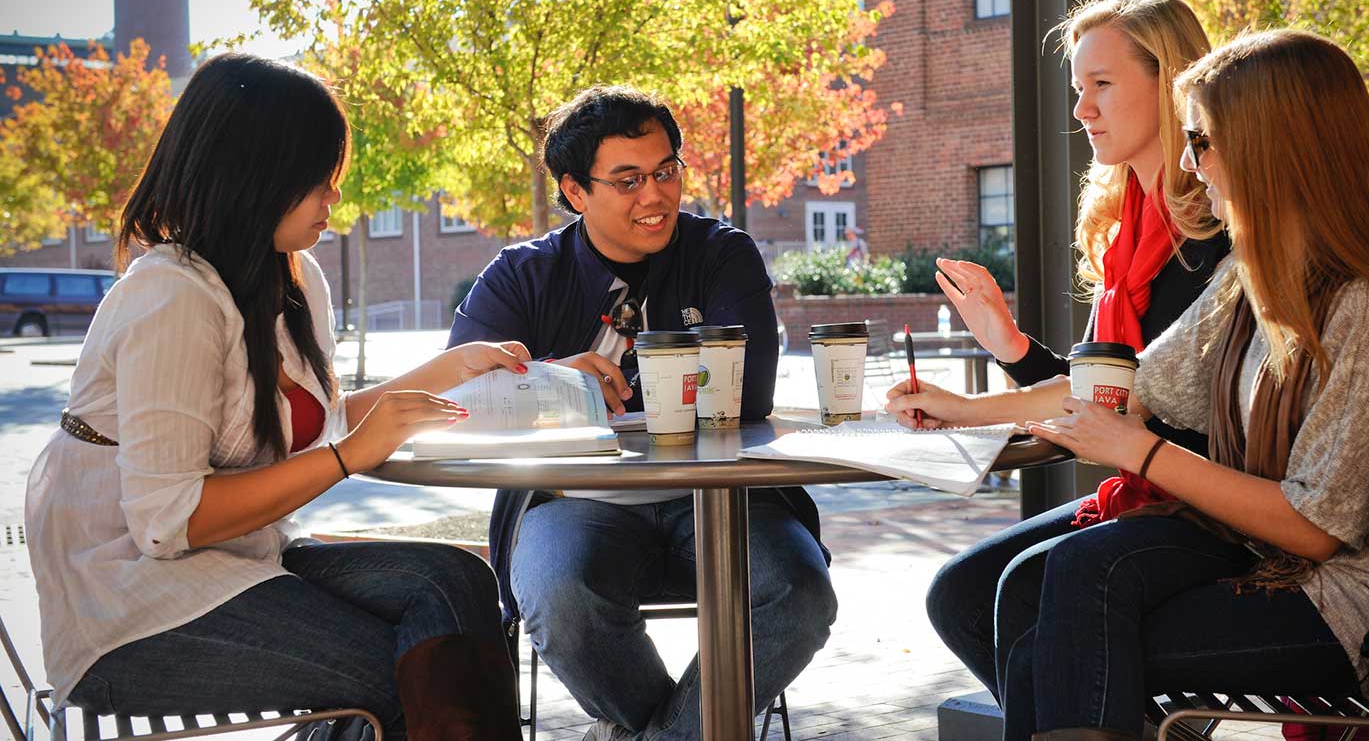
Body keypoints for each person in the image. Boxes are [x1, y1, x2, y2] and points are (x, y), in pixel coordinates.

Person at [963, 29, 1369, 741]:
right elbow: (1132, 390)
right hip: (1262, 560)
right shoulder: (1249, 278)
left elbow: (1317, 531)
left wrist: (1141, 453)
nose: (1192, 165)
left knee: (1055, 637)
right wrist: (957, 410)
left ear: (1274, 150)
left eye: (1206, 143)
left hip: (1342, 607)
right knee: (1029, 604)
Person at [25, 53, 526, 741]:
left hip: (238, 560)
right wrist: (349, 459)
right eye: (318, 179)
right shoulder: (169, 297)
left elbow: (312, 424)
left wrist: (453, 368)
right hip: (128, 606)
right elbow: (167, 522)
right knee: (424, 677)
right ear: (253, 177)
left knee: (455, 582)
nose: (334, 200)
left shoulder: (292, 278)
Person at [448, 85, 837, 741]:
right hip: (575, 499)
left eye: (665, 171)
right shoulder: (521, 275)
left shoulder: (722, 254)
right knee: (559, 597)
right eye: (627, 180)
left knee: (800, 598)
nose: (654, 196)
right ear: (575, 192)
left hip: (720, 495)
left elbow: (750, 395)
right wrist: (551, 382)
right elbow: (457, 400)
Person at [887, 0, 1229, 698]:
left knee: (1022, 604)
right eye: (1079, 88)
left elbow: (1135, 400)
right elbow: (1095, 389)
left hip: (1205, 501)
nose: (1082, 110)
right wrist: (1007, 342)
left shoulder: (1219, 230)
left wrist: (967, 406)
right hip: (1139, 489)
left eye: (1102, 84)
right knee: (959, 595)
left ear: (1172, 84)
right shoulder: (1126, 224)